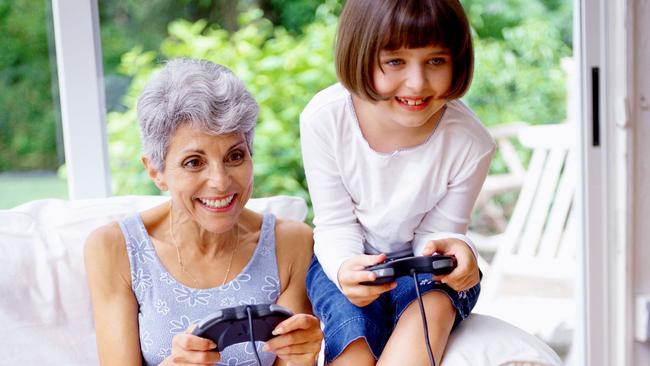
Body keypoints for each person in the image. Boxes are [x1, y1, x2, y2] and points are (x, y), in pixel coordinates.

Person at [85, 58, 322, 366]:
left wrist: (304, 356)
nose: (221, 182)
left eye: (235, 156)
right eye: (194, 162)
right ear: (156, 171)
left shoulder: (291, 244)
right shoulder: (114, 248)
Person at [300, 0, 496, 365]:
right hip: (348, 256)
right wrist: (345, 267)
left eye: (436, 60)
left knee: (433, 301)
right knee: (350, 326)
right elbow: (335, 225)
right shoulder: (324, 119)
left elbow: (440, 233)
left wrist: (457, 249)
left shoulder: (471, 142)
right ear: (359, 55)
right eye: (395, 62)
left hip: (425, 267)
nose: (417, 83)